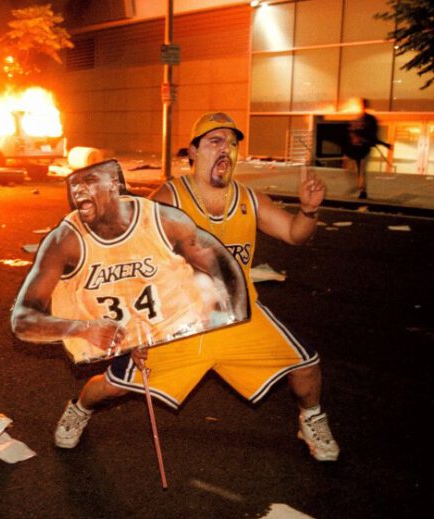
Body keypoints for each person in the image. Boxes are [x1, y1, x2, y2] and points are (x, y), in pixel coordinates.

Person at [141, 111, 339, 462]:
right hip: (182, 318)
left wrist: (308, 212)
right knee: (111, 387)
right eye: (215, 141)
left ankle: (311, 420)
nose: (226, 150)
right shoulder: (169, 198)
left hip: (238, 313)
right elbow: (142, 267)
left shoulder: (250, 199)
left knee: (306, 366)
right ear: (193, 151)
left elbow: (294, 234)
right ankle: (79, 409)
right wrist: (137, 329)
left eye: (231, 144)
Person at [10, 158, 250, 442]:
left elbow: (220, 264)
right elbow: (22, 319)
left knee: (224, 360)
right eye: (73, 185)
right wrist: (81, 329)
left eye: (88, 182)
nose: (77, 190)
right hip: (117, 327)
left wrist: (226, 318)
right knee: (114, 388)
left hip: (171, 318)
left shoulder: (163, 220)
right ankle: (80, 409)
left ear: (115, 185)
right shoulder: (66, 240)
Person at [345, 98, 390, 200]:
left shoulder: (366, 119)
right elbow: (372, 136)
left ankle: (362, 190)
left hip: (363, 148)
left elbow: (372, 136)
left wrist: (383, 143)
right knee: (359, 170)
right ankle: (361, 189)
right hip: (359, 147)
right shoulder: (364, 119)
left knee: (361, 170)